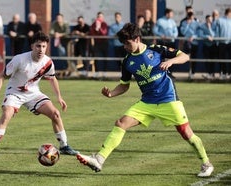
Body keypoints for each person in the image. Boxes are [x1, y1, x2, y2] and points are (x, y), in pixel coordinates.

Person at [77, 23, 214, 177]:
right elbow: (124, 85)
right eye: (123, 44)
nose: (125, 47)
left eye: (128, 43)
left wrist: (170, 61)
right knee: (121, 123)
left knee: (186, 133)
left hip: (168, 99)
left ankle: (206, 164)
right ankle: (99, 159)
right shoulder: (127, 61)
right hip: (147, 102)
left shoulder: (156, 49)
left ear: (137, 38)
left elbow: (185, 56)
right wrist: (111, 94)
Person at [0, 32, 79, 159]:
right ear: (32, 46)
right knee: (6, 115)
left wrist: (59, 97)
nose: (41, 49)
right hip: (14, 93)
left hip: (33, 93)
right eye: (38, 46)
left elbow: (52, 79)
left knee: (55, 114)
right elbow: (1, 75)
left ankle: (64, 146)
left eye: (44, 46)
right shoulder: (20, 59)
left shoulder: (48, 62)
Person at [153, 8, 178, 78]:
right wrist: (161, 35)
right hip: (162, 42)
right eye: (171, 13)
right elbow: (155, 30)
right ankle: (162, 74)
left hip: (171, 42)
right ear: (167, 14)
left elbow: (176, 32)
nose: (172, 15)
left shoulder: (173, 22)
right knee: (162, 58)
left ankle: (170, 73)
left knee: (172, 58)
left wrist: (173, 36)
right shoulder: (160, 21)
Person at [180, 12, 200, 79]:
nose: (191, 17)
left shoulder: (197, 23)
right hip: (187, 43)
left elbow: (199, 33)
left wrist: (193, 37)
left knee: (194, 58)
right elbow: (183, 32)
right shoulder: (184, 23)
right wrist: (187, 25)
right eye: (189, 16)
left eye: (192, 16)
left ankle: (193, 73)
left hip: (194, 43)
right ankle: (188, 72)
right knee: (186, 58)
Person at [90, 11, 108, 78]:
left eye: (101, 17)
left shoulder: (104, 24)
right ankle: (96, 73)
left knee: (105, 58)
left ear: (103, 18)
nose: (99, 18)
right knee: (96, 58)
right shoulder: (94, 24)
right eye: (98, 17)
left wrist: (99, 27)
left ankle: (105, 73)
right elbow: (91, 33)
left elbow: (104, 33)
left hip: (104, 43)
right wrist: (96, 28)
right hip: (97, 43)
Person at [215, 8, 231, 80]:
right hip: (222, 43)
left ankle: (230, 74)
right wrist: (217, 42)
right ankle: (223, 73)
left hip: (230, 43)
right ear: (228, 13)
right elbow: (217, 32)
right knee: (222, 59)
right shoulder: (220, 20)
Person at [198, 15, 215, 80]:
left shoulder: (213, 26)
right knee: (207, 60)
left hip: (213, 46)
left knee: (212, 60)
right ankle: (208, 73)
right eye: (208, 20)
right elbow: (200, 35)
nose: (209, 21)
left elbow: (213, 35)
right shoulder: (202, 26)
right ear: (206, 20)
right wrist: (207, 37)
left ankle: (212, 74)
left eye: (210, 20)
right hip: (206, 45)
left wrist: (209, 28)